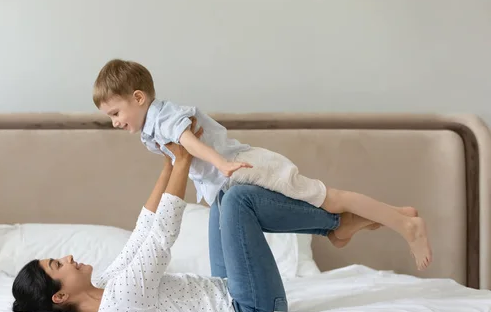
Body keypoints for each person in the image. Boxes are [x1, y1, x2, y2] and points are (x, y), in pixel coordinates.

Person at [12, 121, 406, 312]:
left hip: (226, 288)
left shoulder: (103, 283)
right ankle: (335, 225)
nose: (67, 257)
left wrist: (169, 162)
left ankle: (336, 226)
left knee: (222, 194)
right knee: (238, 201)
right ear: (59, 296)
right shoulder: (119, 304)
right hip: (250, 309)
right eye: (57, 266)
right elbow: (161, 236)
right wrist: (184, 159)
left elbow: (143, 228)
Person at [92, 59, 431, 270]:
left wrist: (222, 164)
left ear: (138, 98)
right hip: (232, 179)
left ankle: (404, 224)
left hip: (245, 166)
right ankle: (352, 226)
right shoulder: (151, 129)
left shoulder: (163, 116)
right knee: (319, 206)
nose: (115, 122)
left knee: (333, 198)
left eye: (116, 113)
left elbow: (189, 141)